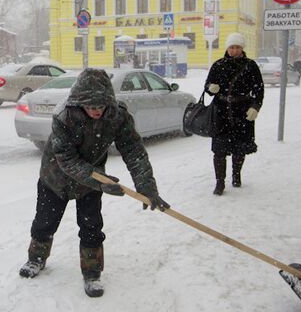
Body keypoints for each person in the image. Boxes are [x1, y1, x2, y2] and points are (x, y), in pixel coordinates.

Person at [19, 68, 170, 297]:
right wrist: (99, 181)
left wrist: (146, 187)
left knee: (91, 227)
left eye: (100, 106)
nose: (96, 111)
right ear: (80, 103)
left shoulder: (117, 116)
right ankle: (36, 258)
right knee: (45, 222)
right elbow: (66, 159)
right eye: (91, 107)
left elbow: (134, 151)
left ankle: (92, 272)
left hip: (91, 182)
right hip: (55, 178)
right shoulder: (64, 116)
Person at [204, 32, 264, 196]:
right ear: (227, 48)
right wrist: (211, 88)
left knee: (239, 148)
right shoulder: (218, 65)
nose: (234, 50)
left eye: (237, 47)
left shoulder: (250, 66)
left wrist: (255, 107)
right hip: (221, 112)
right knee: (219, 150)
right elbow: (207, 86)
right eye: (231, 47)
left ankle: (236, 175)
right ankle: (219, 183)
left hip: (242, 112)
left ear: (242, 48)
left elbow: (259, 89)